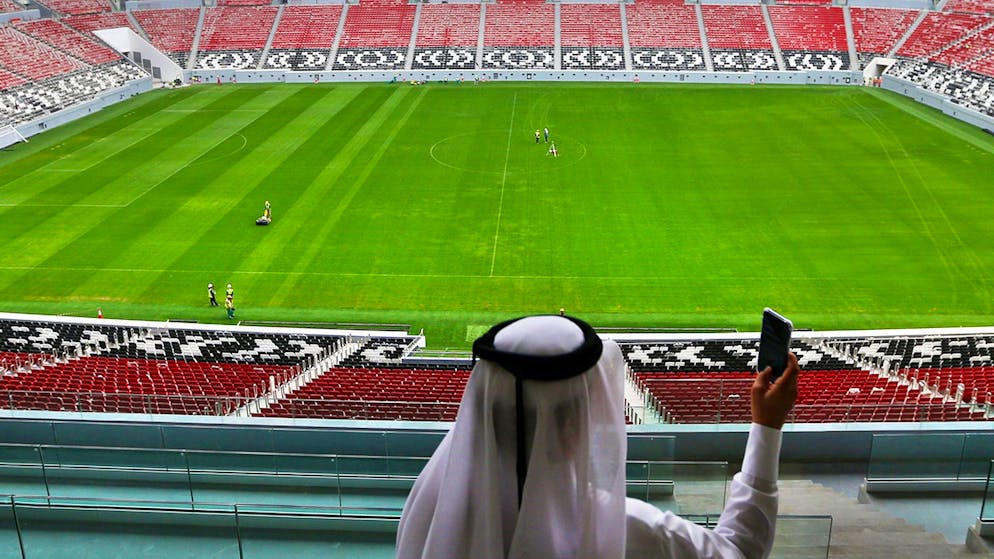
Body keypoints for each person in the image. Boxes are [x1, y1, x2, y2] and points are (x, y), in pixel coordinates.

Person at [396, 314, 800, 559]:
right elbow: (738, 550)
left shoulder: (429, 511)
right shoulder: (623, 529)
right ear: (575, 428)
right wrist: (767, 426)